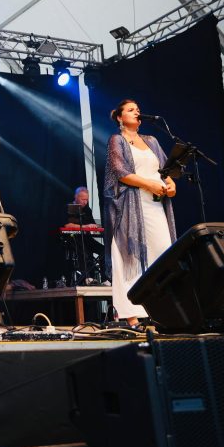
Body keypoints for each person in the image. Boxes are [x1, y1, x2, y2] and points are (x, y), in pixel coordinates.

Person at [103, 99, 177, 329]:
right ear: (119, 117)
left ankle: (161, 311)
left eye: (137, 109)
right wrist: (149, 184)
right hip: (130, 205)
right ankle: (132, 315)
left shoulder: (151, 140)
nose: (137, 112)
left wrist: (171, 184)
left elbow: (165, 169)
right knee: (130, 257)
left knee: (163, 253)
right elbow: (120, 171)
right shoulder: (117, 140)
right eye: (130, 110)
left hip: (155, 205)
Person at [60, 186, 106, 285]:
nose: (85, 202)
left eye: (87, 200)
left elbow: (92, 224)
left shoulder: (87, 210)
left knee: (103, 250)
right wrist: (85, 226)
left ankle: (105, 279)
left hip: (87, 238)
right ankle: (87, 277)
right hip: (73, 239)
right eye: (83, 199)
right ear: (76, 197)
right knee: (83, 251)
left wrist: (94, 226)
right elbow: (67, 225)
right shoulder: (69, 208)